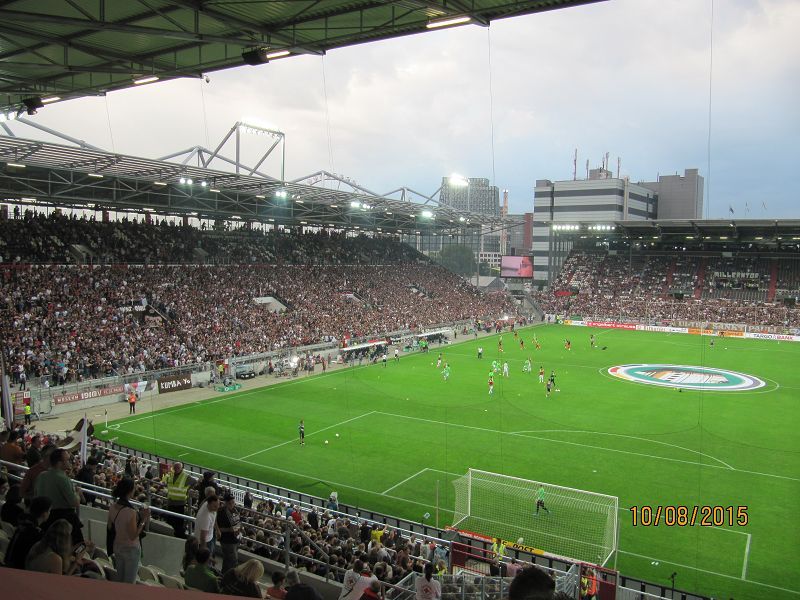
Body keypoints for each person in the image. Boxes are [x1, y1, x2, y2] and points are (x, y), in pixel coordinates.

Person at [34, 448, 83, 543]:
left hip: (44, 521)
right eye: (68, 460)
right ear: (59, 463)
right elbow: (75, 503)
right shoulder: (62, 478)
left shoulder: (41, 476)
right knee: (79, 546)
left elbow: (36, 495)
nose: (70, 462)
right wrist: (77, 493)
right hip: (62, 522)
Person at [107, 477, 150, 583]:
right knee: (129, 583)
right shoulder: (131, 512)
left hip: (118, 546)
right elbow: (133, 536)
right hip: (130, 550)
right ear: (130, 491)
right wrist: (143, 520)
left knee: (120, 580)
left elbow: (110, 527)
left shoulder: (112, 507)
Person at [25, 519, 90, 576]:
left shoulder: (38, 545)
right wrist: (76, 562)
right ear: (65, 539)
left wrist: (74, 549)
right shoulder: (55, 558)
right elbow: (61, 582)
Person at [4, 496, 51, 569]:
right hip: (22, 570)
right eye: (49, 511)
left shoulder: (22, 527)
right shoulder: (37, 533)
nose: (49, 513)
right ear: (44, 514)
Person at [162, 461, 191, 538]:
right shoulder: (171, 474)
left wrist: (188, 490)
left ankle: (179, 535)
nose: (176, 469)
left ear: (181, 468)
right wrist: (164, 483)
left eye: (178, 468)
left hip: (180, 503)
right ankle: (172, 534)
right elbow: (165, 481)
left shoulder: (185, 476)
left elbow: (195, 482)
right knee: (170, 520)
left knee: (178, 521)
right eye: (175, 467)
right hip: (171, 502)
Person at [217, 492, 241, 574]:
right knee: (233, 561)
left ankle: (224, 576)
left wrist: (239, 529)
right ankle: (229, 577)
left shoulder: (235, 510)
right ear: (225, 503)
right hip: (227, 541)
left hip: (235, 539)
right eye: (229, 503)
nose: (232, 504)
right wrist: (228, 530)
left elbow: (238, 522)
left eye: (233, 502)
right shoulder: (221, 512)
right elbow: (218, 528)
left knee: (228, 561)